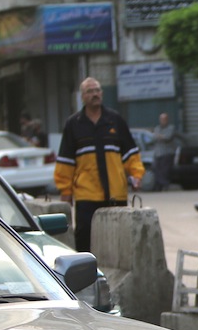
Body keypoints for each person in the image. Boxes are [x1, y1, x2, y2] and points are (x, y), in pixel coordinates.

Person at [54, 77, 144, 252]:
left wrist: (137, 175)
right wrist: (65, 191)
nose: (95, 94)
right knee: (85, 237)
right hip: (87, 194)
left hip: (115, 192)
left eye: (97, 90)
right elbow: (66, 160)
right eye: (90, 91)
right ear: (82, 97)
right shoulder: (74, 124)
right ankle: (86, 274)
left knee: (118, 238)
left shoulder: (115, 120)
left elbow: (130, 152)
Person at [152, 112, 182, 191]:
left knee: (165, 170)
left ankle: (165, 185)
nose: (163, 121)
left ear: (167, 120)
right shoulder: (157, 128)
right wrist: (161, 136)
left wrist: (160, 136)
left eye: (164, 119)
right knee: (156, 169)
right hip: (158, 153)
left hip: (167, 153)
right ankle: (158, 186)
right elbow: (154, 137)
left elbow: (168, 137)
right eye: (161, 119)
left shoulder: (171, 128)